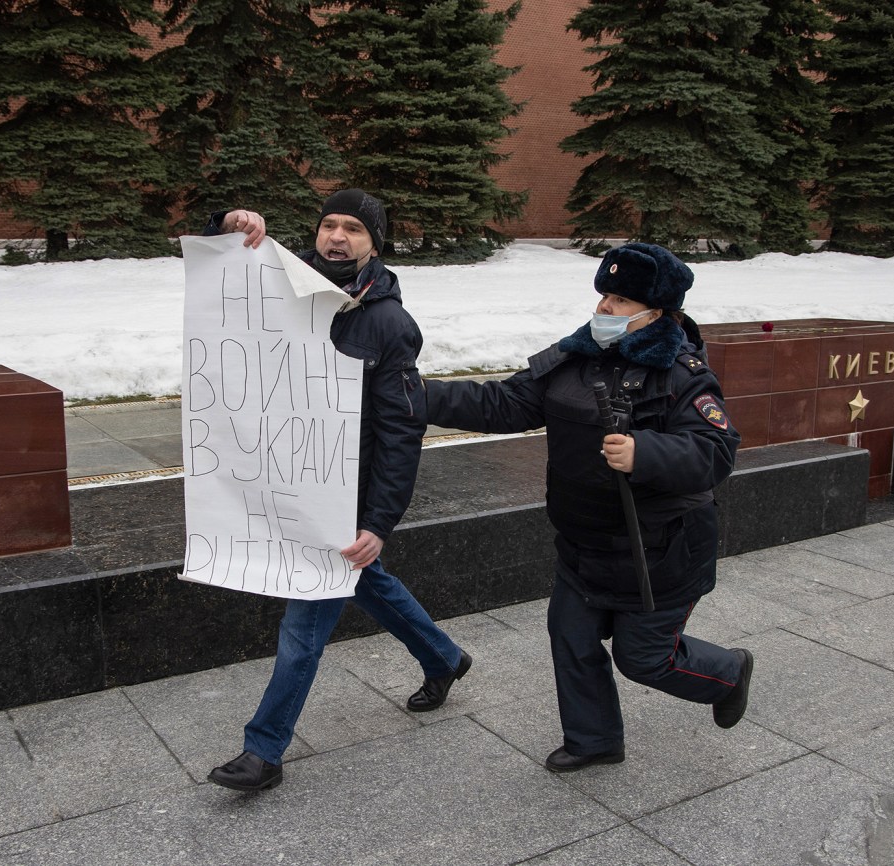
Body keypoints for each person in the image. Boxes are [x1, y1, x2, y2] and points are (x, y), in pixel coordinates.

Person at [425, 242, 753, 772]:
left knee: (643, 658)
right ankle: (593, 739)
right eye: (604, 295)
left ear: (657, 313)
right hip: (584, 544)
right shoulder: (573, 358)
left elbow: (716, 451)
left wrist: (645, 452)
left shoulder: (682, 374)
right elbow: (503, 403)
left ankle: (728, 673)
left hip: (660, 551)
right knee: (571, 636)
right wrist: (418, 396)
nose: (604, 307)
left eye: (621, 300)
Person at [203, 190, 472, 792]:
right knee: (368, 582)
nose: (337, 237)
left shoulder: (389, 323)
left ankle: (263, 751)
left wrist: (378, 522)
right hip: (288, 481)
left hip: (343, 496)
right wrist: (230, 224)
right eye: (329, 224)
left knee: (303, 627)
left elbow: (401, 431)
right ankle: (444, 658)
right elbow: (220, 279)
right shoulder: (283, 285)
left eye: (354, 228)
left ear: (375, 243)